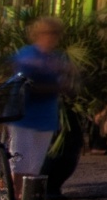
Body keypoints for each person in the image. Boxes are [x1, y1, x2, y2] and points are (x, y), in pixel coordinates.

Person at [5, 15, 72, 183]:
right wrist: (57, 86)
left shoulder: (58, 58)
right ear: (38, 34)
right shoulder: (27, 54)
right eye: (47, 33)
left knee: (35, 166)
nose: (51, 37)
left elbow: (67, 84)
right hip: (22, 116)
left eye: (55, 33)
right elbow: (26, 83)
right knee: (20, 163)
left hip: (46, 116)